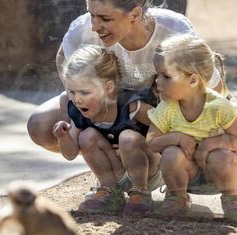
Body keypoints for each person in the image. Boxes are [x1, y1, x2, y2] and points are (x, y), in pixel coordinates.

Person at [28, 0, 203, 153]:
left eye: (105, 18)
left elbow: (204, 82)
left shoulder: (173, 28)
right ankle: (105, 155)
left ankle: (155, 158)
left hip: (157, 105)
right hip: (107, 101)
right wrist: (79, 98)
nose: (95, 26)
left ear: (134, 14)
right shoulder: (83, 30)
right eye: (91, 15)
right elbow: (63, 57)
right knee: (40, 126)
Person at [146, 33, 237, 221]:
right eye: (157, 75)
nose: (157, 82)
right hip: (186, 173)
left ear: (193, 81)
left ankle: (231, 199)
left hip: (220, 173)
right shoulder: (166, 108)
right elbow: (151, 143)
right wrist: (176, 138)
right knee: (171, 153)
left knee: (222, 156)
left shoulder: (219, 106)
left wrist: (210, 145)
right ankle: (177, 198)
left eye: (166, 76)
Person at [52, 45, 161, 216]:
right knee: (87, 136)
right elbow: (70, 154)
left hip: (148, 170)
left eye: (85, 92)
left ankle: (141, 192)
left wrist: (145, 143)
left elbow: (162, 125)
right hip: (118, 171)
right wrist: (63, 136)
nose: (77, 99)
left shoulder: (130, 105)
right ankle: (110, 191)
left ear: (108, 88)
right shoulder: (78, 112)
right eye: (72, 92)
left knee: (127, 138)